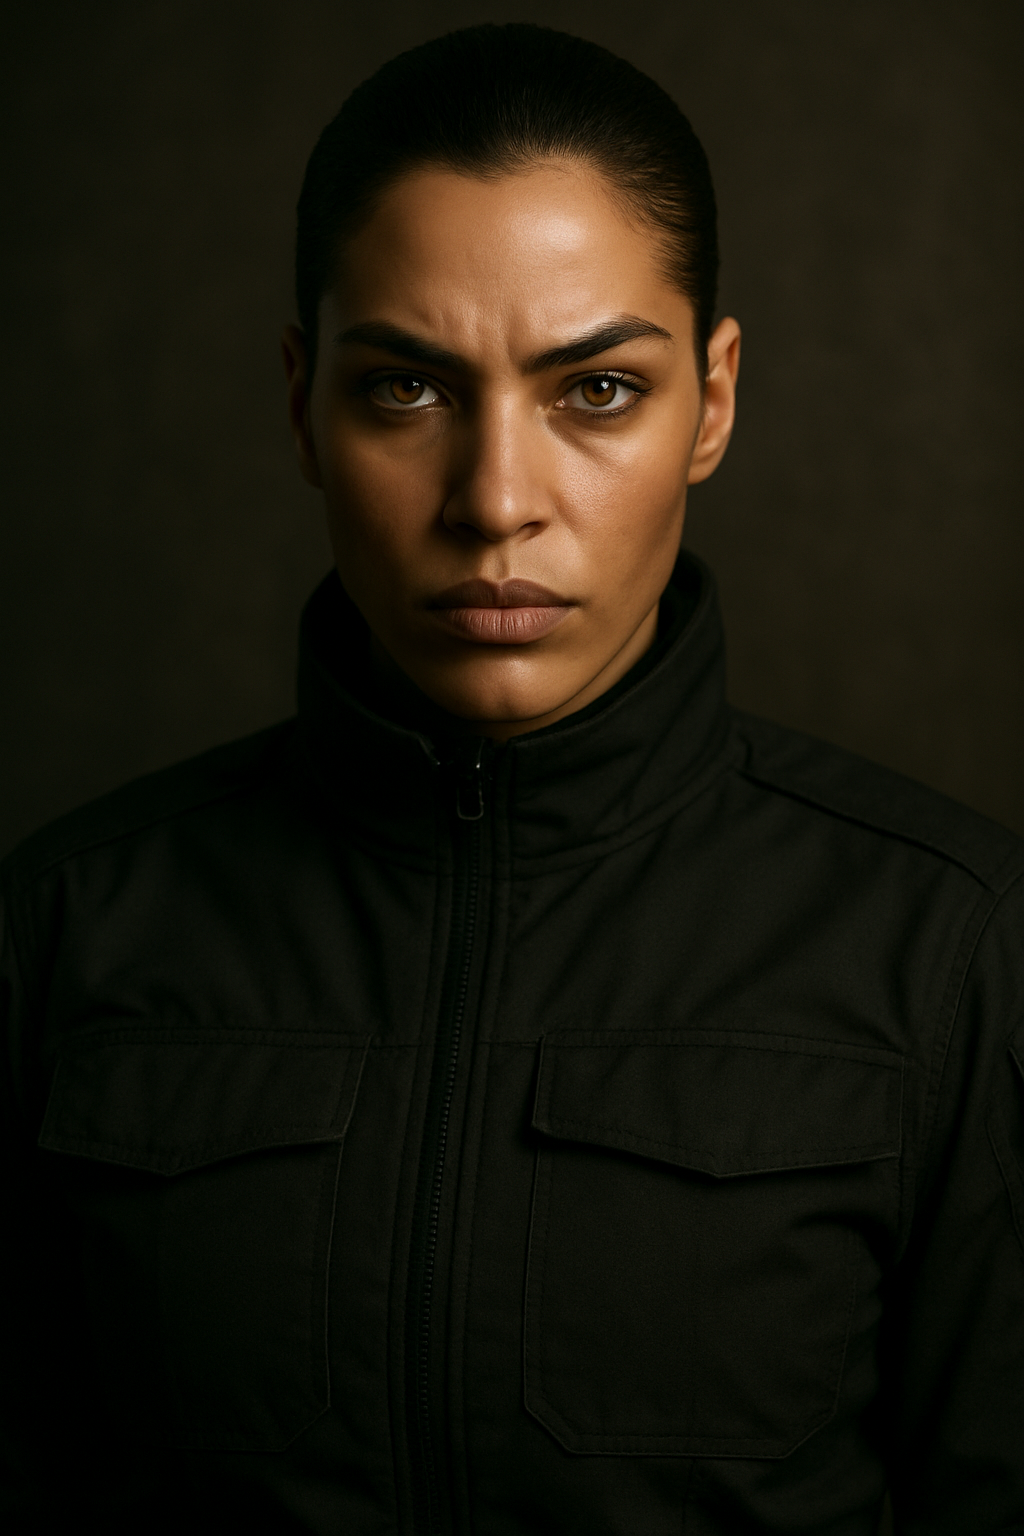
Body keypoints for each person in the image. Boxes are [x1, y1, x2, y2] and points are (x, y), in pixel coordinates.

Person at [2, 22, 1022, 1536]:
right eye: (406, 391)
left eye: (595, 392)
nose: (494, 503)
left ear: (716, 401)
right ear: (302, 405)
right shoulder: (60, 936)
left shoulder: (954, 950)